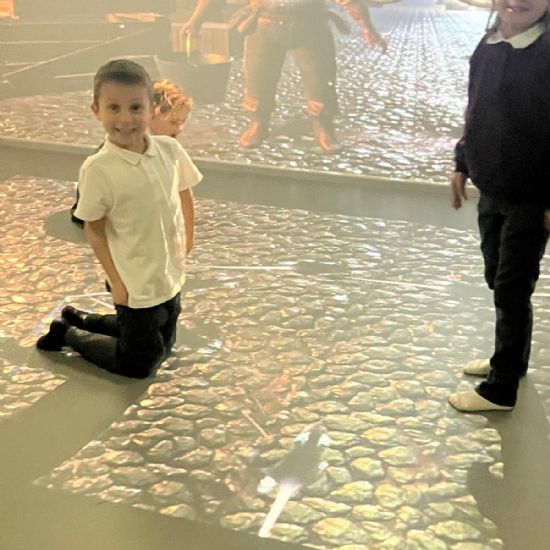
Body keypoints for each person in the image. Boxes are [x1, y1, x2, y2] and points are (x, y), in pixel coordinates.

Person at [37, 59, 202, 379]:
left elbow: (185, 192)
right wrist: (117, 280)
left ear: (149, 109)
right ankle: (67, 333)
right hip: (134, 276)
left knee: (162, 342)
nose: (126, 118)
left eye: (135, 107)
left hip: (168, 269)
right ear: (97, 110)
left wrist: (187, 240)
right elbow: (94, 227)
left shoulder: (169, 150)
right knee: (140, 363)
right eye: (114, 108)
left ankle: (81, 319)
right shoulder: (99, 168)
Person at [449, 0, 550, 411]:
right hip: (492, 187)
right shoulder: (488, 44)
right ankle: (510, 359)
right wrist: (461, 164)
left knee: (512, 286)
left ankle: (501, 387)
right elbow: (474, 111)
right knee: (497, 276)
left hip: (533, 196)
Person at [180, 0, 386, 153]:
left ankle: (323, 125)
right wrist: (195, 19)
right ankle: (259, 122)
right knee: (259, 78)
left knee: (319, 79)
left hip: (310, 27)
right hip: (263, 24)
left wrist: (368, 28)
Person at [70, 78, 193, 225]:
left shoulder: (166, 150)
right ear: (152, 114)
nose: (180, 129)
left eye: (183, 122)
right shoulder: (114, 154)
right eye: (174, 122)